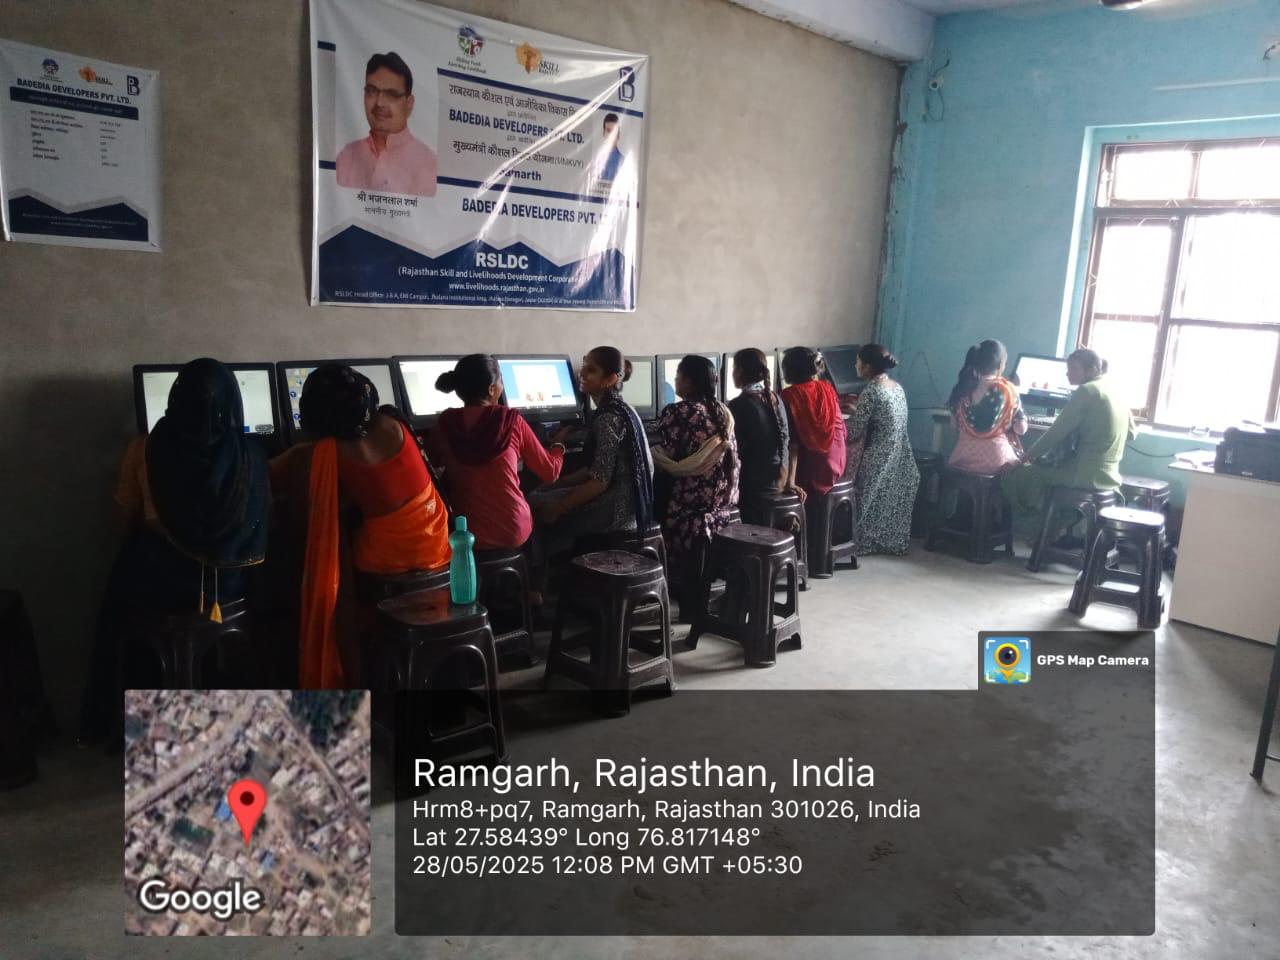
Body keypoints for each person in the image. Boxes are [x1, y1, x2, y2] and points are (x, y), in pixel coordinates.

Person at [80, 358, 271, 741]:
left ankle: (128, 716)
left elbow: (122, 521)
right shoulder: (250, 452)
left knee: (120, 584)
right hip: (228, 587)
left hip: (163, 589)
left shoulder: (145, 448)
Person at [276, 365, 449, 688]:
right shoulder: (394, 423)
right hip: (438, 549)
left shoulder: (326, 453)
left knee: (319, 554)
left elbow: (273, 475)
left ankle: (350, 664)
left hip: (389, 563)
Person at [425, 354, 565, 550]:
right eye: (501, 380)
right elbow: (551, 473)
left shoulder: (445, 424)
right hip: (512, 530)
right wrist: (558, 446)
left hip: (463, 532)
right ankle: (536, 566)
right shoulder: (510, 421)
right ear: (491, 389)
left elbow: (430, 465)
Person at [533, 347, 654, 559]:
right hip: (631, 504)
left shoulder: (608, 418)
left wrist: (558, 508)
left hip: (617, 511)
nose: (581, 373)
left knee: (534, 503)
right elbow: (598, 469)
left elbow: (599, 482)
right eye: (584, 367)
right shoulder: (624, 408)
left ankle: (544, 577)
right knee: (544, 494)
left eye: (591, 370)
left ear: (610, 379)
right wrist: (560, 483)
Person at [1004, 347, 1135, 515]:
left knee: (1018, 475)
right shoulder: (1115, 390)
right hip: (1109, 475)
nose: (1068, 373)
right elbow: (1131, 434)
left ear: (1092, 370)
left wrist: (1022, 459)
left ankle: (1030, 526)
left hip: (1083, 474)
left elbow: (1055, 434)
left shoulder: (1087, 391)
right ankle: (1054, 525)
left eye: (1074, 368)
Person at [652, 355, 739, 600]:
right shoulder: (723, 411)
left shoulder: (678, 411)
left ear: (688, 382)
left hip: (688, 506)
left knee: (651, 489)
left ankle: (661, 581)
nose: (675, 381)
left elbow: (666, 453)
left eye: (677, 376)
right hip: (720, 503)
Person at [844, 344, 919, 556]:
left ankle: (860, 542)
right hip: (899, 455)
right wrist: (858, 410)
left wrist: (838, 422)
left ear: (867, 367)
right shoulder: (895, 387)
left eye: (858, 362)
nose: (855, 365)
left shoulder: (872, 390)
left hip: (879, 455)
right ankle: (886, 542)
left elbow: (854, 431)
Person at [335, 52, 438, 197]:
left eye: (391, 95)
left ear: (409, 104)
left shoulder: (427, 163)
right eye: (372, 91)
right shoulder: (348, 155)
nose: (379, 103)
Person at [728, 348, 795, 520]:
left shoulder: (738, 405)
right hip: (777, 479)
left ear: (740, 371)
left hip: (754, 487)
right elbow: (787, 440)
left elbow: (734, 450)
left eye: (734, 368)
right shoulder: (776, 399)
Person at [947, 339, 1028, 474]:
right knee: (1021, 468)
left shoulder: (963, 387)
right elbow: (1021, 430)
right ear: (1001, 364)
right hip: (998, 463)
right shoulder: (1008, 389)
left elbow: (953, 427)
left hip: (961, 460)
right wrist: (1022, 418)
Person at [780, 346, 847, 500]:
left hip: (814, 473)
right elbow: (842, 430)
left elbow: (793, 443)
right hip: (838, 465)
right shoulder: (827, 388)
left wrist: (790, 482)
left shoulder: (790, 395)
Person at [599, 112, 625, 182]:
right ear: (604, 133)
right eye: (608, 131)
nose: (611, 135)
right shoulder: (598, 160)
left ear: (618, 135)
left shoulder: (622, 162)